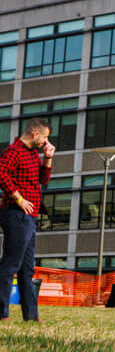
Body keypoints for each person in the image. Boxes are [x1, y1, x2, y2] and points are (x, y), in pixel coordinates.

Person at [0, 118, 55, 322]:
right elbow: (1, 173)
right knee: (11, 264)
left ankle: (31, 316)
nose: (46, 142)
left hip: (30, 217)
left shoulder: (33, 154)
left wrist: (48, 158)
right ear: (35, 134)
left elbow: (43, 180)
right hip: (16, 213)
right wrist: (19, 198)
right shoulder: (14, 151)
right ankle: (2, 313)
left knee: (27, 268)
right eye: (45, 137)